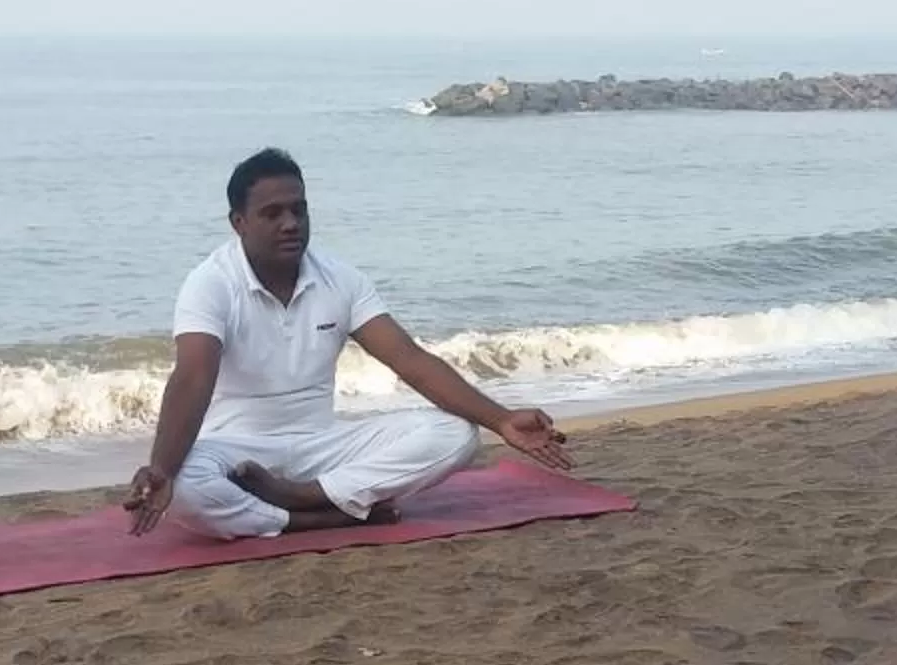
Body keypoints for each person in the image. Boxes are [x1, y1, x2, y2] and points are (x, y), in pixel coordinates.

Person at [124, 147, 574, 538]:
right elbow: (194, 375)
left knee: (455, 434)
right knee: (185, 485)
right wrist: (161, 468)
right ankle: (321, 518)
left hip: (324, 448)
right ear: (238, 223)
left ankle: (304, 496)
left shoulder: (340, 279)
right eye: (272, 214)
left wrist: (502, 420)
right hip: (237, 452)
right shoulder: (210, 283)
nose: (290, 224)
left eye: (299, 210)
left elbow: (410, 360)